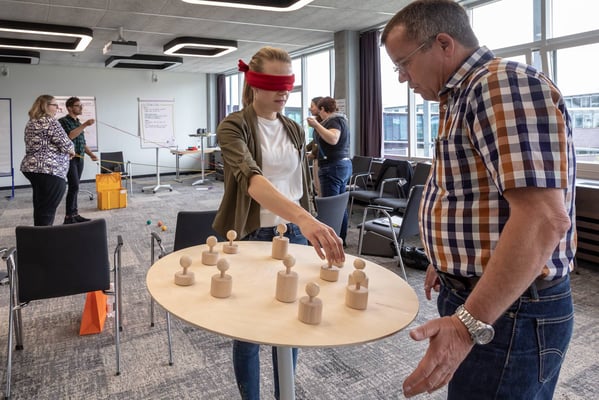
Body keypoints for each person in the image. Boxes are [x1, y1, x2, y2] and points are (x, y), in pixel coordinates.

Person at [381, 1, 576, 399]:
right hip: (488, 295)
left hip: (510, 310)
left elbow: (543, 219)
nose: (402, 77)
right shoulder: (461, 96)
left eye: (404, 63)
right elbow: (476, 194)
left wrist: (466, 325)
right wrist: (448, 259)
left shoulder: (499, 84)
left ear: (444, 44)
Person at [213, 47, 344, 400]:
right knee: (250, 328)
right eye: (273, 84)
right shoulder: (234, 126)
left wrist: (305, 220)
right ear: (254, 84)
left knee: (290, 322)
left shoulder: (293, 127)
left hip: (295, 234)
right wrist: (305, 217)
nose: (283, 92)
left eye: (287, 84)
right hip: (254, 235)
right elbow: (252, 180)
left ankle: (284, 393)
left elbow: (298, 184)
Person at [20, 95, 75, 226]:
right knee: (47, 210)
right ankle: (44, 237)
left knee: (40, 207)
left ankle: (39, 234)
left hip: (32, 168)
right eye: (55, 105)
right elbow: (66, 144)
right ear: (45, 106)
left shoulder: (31, 122)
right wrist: (71, 151)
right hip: (50, 170)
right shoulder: (50, 122)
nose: (57, 108)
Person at [307, 96, 352, 244]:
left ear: (322, 109)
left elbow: (333, 139)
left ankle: (330, 241)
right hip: (341, 165)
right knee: (339, 205)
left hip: (333, 167)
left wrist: (316, 125)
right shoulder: (340, 120)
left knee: (330, 206)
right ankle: (340, 238)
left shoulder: (333, 121)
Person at [58, 96, 97, 224]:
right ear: (69, 108)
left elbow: (82, 142)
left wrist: (91, 154)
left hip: (80, 158)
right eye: (78, 105)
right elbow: (70, 136)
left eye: (81, 105)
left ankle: (74, 214)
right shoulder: (63, 121)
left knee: (76, 186)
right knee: (74, 185)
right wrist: (85, 125)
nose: (81, 107)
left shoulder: (78, 123)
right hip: (70, 158)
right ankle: (69, 217)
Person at [306, 96, 323, 196]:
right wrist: (304, 148)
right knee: (317, 188)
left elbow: (320, 141)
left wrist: (313, 153)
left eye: (312, 106)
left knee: (320, 189)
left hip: (321, 160)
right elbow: (315, 140)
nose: (310, 108)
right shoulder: (317, 122)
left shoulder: (322, 123)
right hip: (317, 159)